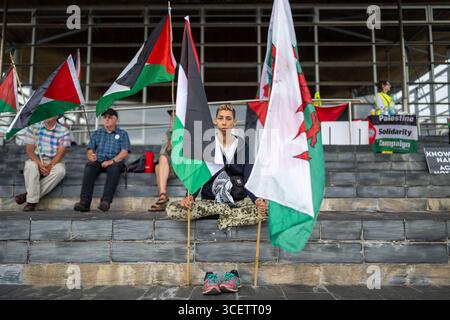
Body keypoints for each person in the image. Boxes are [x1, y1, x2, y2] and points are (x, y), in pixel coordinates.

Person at [165, 104, 268, 294]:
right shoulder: (207, 145)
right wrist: (190, 196)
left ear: (234, 122)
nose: (224, 122)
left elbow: (249, 179)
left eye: (228, 118)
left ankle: (226, 215)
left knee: (267, 211)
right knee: (173, 209)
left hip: (238, 201)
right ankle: (224, 215)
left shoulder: (244, 146)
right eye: (221, 118)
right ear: (215, 121)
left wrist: (257, 200)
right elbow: (198, 175)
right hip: (210, 201)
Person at [73, 108, 131, 212]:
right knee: (89, 166)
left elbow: (124, 152)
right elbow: (90, 149)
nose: (106, 120)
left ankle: (106, 201)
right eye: (105, 117)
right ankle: (85, 202)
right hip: (99, 161)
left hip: (114, 161)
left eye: (110, 117)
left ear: (116, 120)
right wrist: (91, 155)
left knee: (114, 168)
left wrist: (111, 161)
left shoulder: (122, 133)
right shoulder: (97, 133)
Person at [14, 115, 70, 211]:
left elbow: (60, 153)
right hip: (36, 159)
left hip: (54, 160)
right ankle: (31, 202)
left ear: (58, 115)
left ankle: (28, 196)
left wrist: (49, 166)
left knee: (60, 171)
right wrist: (39, 164)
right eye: (47, 111)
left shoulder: (64, 131)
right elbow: (29, 151)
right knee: (30, 166)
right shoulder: (33, 127)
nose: (49, 113)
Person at [148, 110, 177, 212]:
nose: (174, 118)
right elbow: (165, 151)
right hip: (172, 166)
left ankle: (162, 199)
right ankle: (163, 195)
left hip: (184, 167)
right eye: (172, 116)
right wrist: (171, 140)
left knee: (158, 166)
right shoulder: (167, 133)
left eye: (176, 115)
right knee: (159, 164)